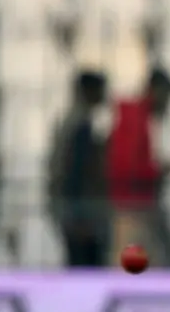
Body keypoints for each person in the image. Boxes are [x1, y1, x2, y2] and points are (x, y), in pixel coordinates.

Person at [107, 67, 170, 268]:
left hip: (139, 205)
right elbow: (126, 166)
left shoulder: (141, 118)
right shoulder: (135, 119)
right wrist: (158, 170)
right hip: (132, 206)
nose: (167, 104)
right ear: (155, 90)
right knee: (133, 265)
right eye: (167, 96)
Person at [47, 70, 110, 267]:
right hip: (78, 212)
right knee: (83, 265)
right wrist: (80, 214)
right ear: (88, 91)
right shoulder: (80, 125)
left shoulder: (70, 120)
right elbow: (75, 172)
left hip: (69, 208)